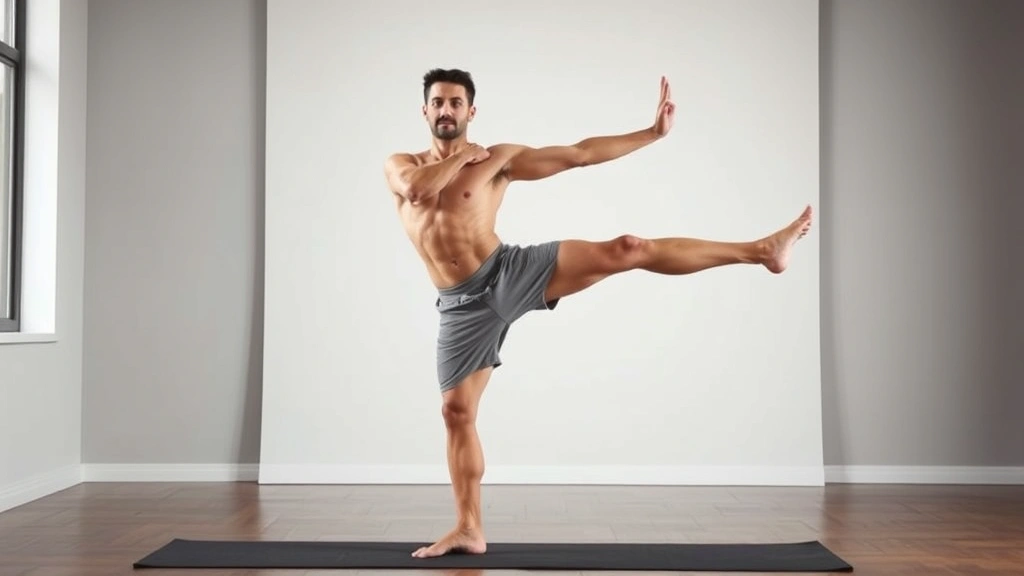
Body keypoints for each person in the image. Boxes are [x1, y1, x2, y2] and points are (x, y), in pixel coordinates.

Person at [382, 68, 813, 559]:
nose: (445, 111)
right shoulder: (401, 165)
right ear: (424, 111)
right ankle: (468, 528)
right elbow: (418, 190)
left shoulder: (498, 160)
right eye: (437, 102)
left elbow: (580, 154)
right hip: (461, 306)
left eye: (455, 103)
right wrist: (460, 155)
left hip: (507, 271)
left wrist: (651, 134)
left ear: (471, 111)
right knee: (456, 413)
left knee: (628, 247)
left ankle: (761, 250)